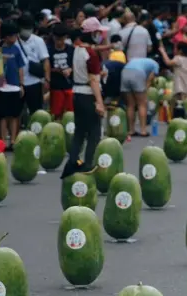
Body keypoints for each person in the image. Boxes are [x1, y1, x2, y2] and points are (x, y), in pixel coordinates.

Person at [64, 17, 105, 177]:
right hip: (88, 95)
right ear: (92, 33)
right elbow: (93, 80)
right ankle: (88, 165)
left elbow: (82, 72)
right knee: (94, 132)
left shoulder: (77, 50)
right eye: (98, 32)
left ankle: (73, 162)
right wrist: (99, 103)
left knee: (80, 132)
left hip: (77, 93)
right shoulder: (91, 54)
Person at [0, 21, 25, 147]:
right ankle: (3, 140)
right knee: (3, 115)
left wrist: (21, 84)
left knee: (15, 115)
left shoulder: (16, 50)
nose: (15, 38)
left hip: (14, 86)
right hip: (2, 87)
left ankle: (13, 140)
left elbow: (20, 68)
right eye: (14, 36)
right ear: (7, 37)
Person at [18, 15, 51, 116]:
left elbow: (45, 60)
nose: (27, 30)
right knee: (17, 112)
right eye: (25, 28)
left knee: (36, 112)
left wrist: (47, 79)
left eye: (29, 28)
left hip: (34, 82)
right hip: (18, 83)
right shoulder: (14, 41)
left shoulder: (38, 41)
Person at [120, 56, 158, 138]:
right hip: (137, 74)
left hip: (125, 72)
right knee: (142, 104)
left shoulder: (139, 60)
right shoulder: (156, 65)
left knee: (130, 104)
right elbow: (150, 79)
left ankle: (131, 130)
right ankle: (143, 131)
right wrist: (145, 90)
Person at [158, 41, 187, 117]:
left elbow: (168, 62)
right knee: (179, 102)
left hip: (181, 86)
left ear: (180, 50)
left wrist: (163, 52)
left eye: (176, 48)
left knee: (179, 103)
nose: (174, 50)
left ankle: (175, 118)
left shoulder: (178, 58)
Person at [48, 24, 74, 119]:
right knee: (56, 113)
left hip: (69, 86)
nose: (59, 42)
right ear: (53, 37)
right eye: (57, 39)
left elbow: (76, 64)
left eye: (62, 39)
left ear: (65, 38)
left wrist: (70, 69)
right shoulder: (49, 50)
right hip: (56, 87)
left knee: (70, 113)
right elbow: (46, 68)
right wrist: (57, 70)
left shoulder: (71, 49)